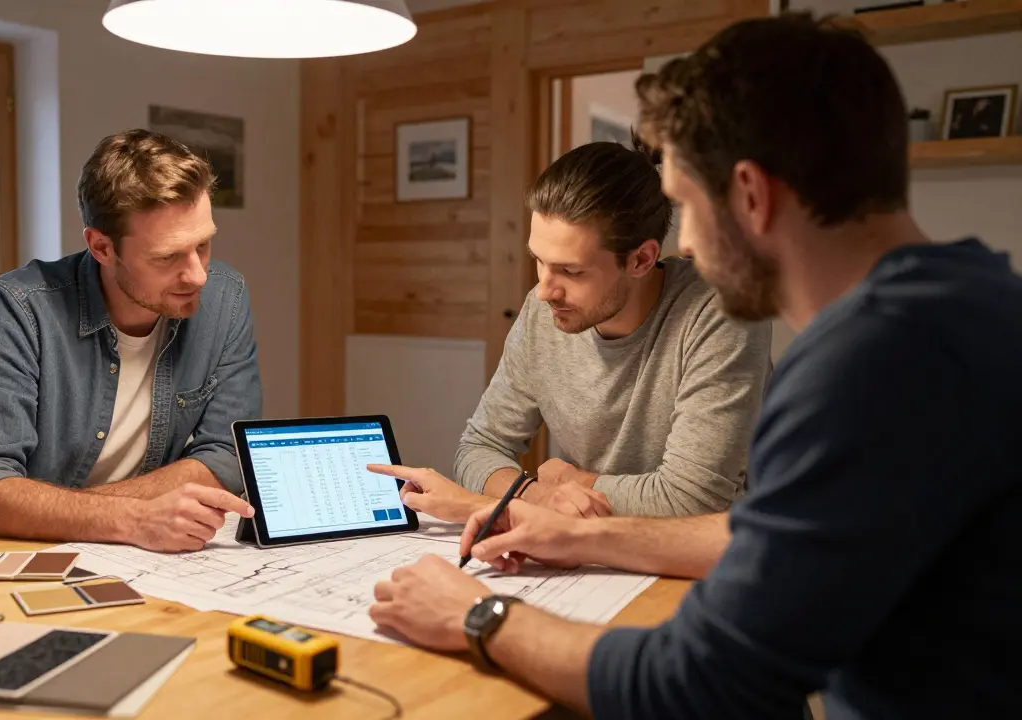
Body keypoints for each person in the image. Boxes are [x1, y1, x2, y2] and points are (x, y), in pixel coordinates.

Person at [369, 14, 1022, 719]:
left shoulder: (867, 366)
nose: (688, 247)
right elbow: (756, 538)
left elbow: (699, 679)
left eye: (683, 203)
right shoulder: (975, 305)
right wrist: (576, 529)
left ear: (751, 195)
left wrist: (480, 615)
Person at [372, 140, 772, 523]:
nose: (545, 291)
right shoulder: (542, 311)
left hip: (722, 553)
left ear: (641, 260)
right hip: (590, 544)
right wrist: (540, 496)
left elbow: (694, 499)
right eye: (539, 261)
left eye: (571, 271)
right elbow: (480, 447)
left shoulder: (721, 309)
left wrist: (577, 483)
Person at [0, 129, 257, 550]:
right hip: (1, 554)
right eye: (167, 256)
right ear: (101, 247)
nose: (197, 275)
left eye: (203, 245)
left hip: (134, 555)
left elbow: (227, 454)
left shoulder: (226, 298)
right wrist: (133, 518)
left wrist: (96, 515)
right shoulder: (15, 310)